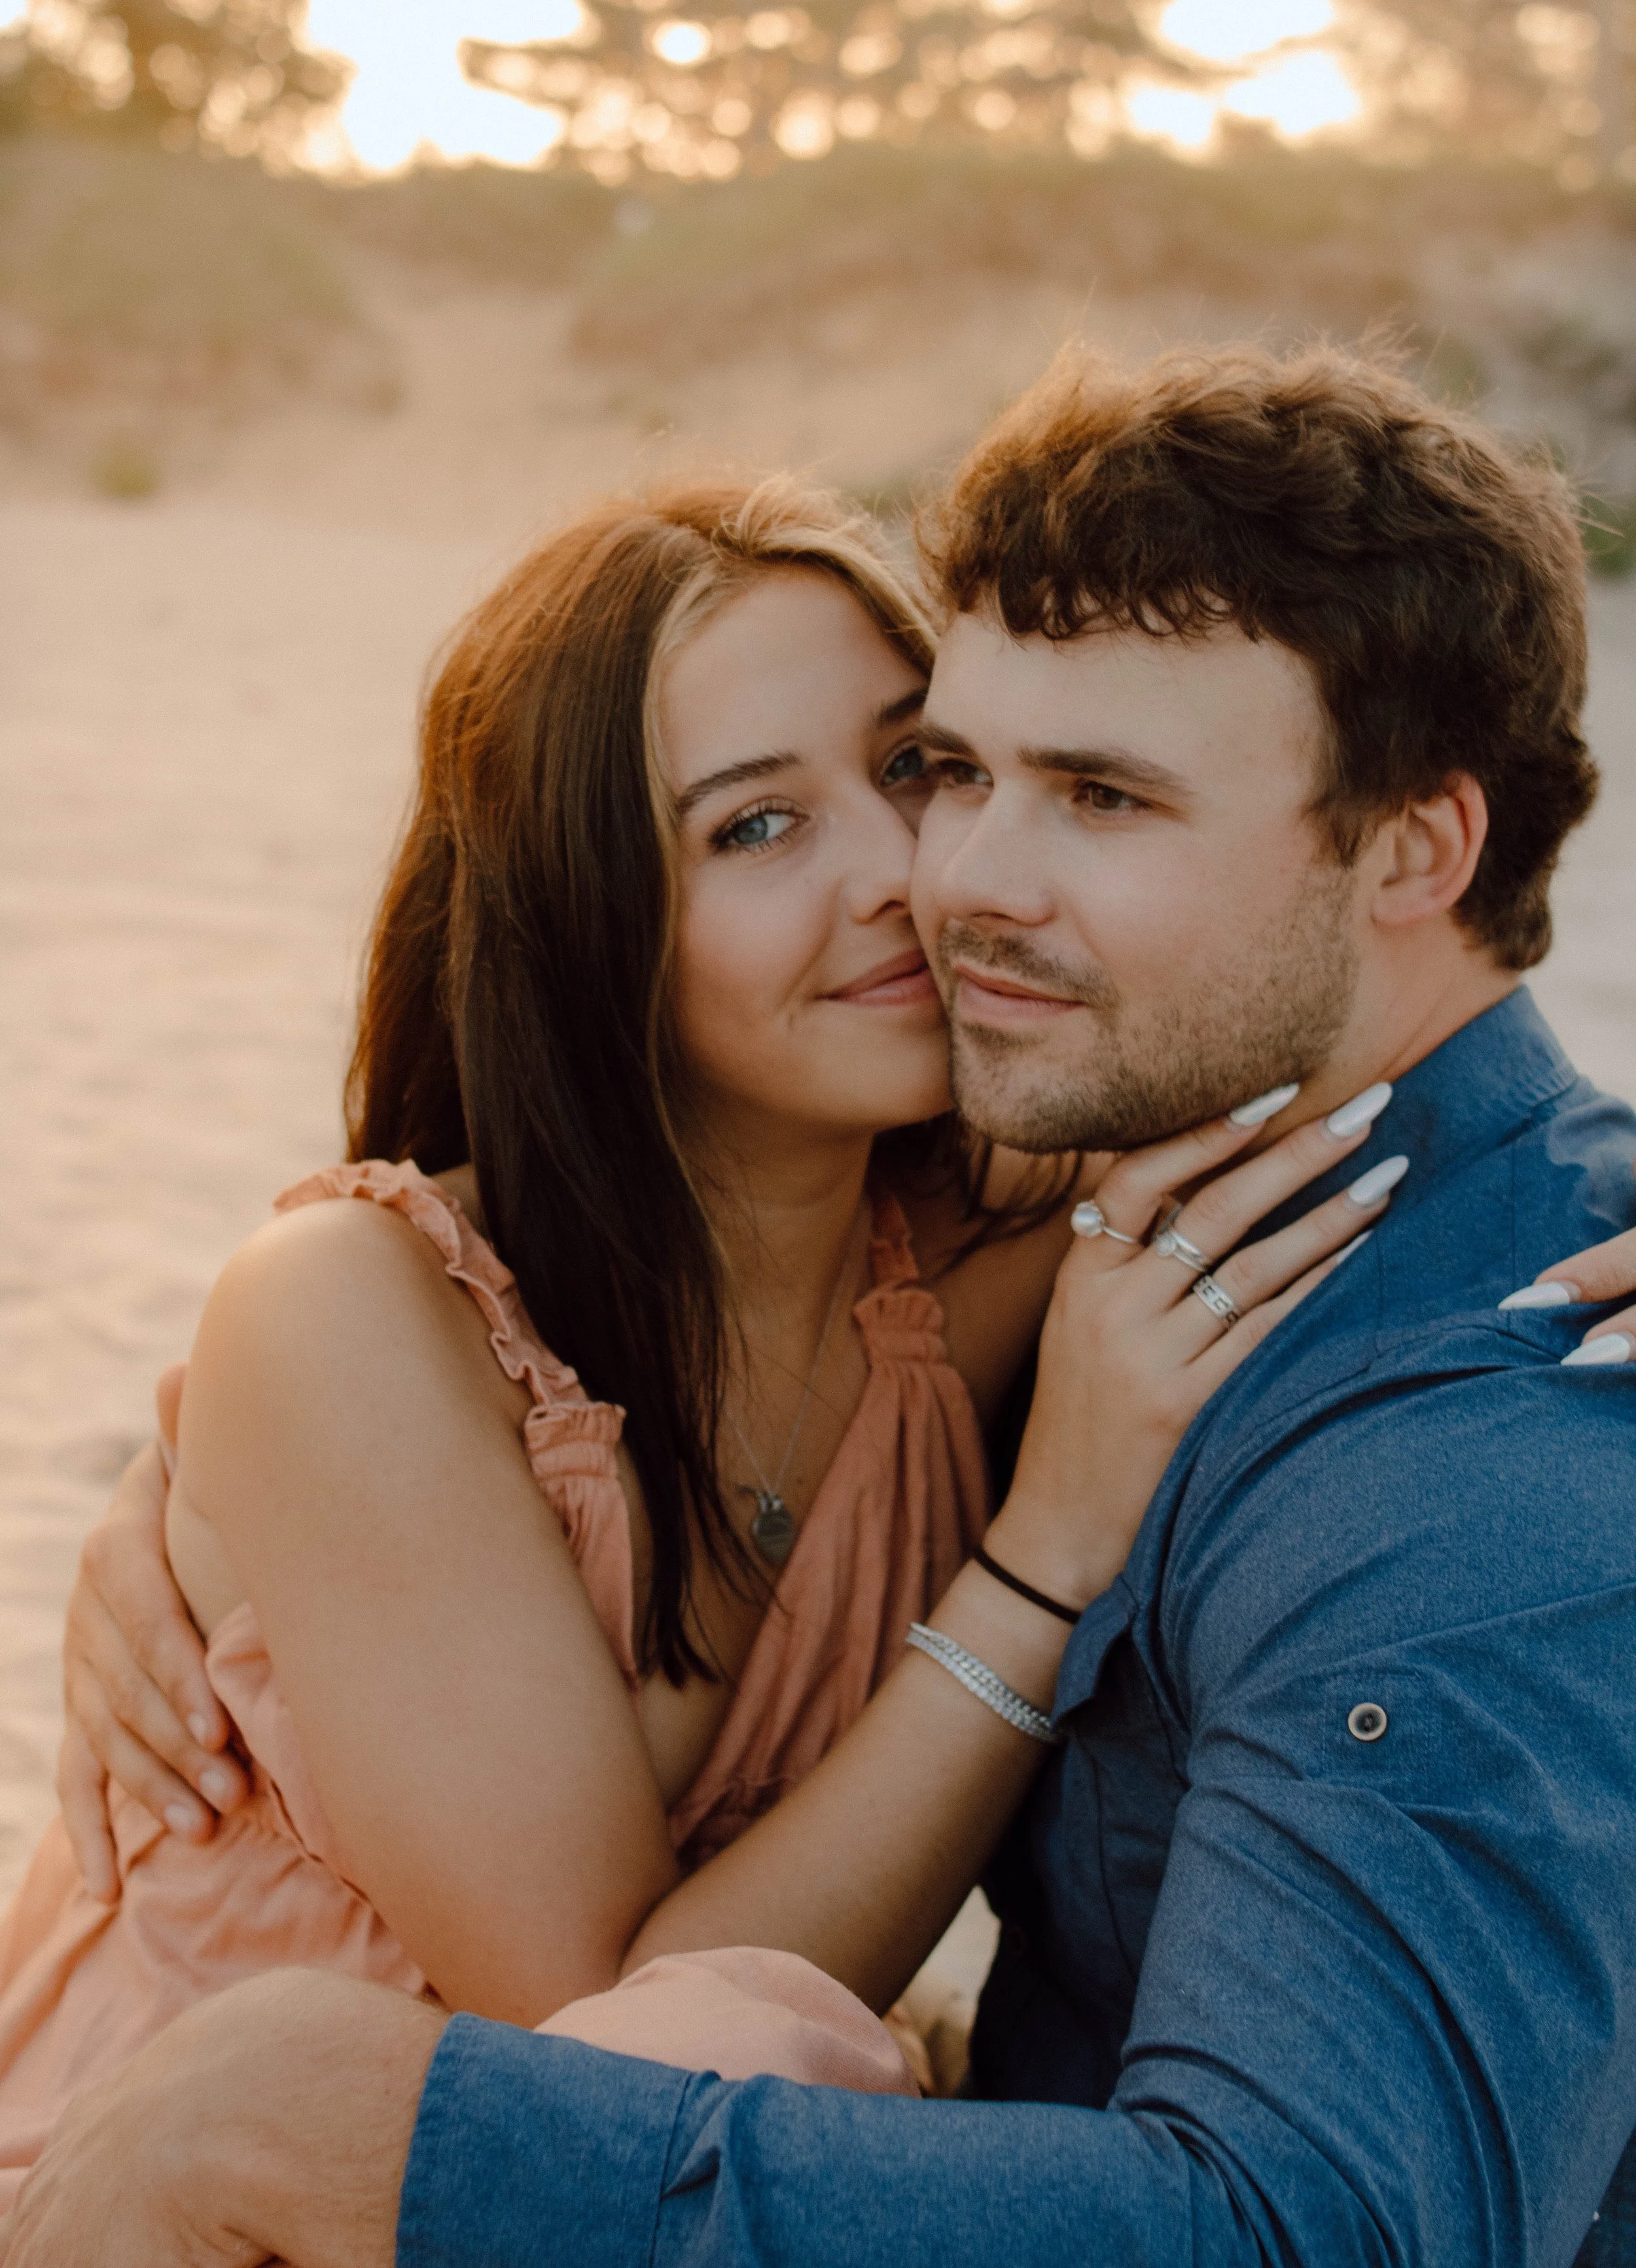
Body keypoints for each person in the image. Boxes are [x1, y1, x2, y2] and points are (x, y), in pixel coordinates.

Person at [7, 342, 1636, 2268]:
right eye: (766, 822)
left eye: (930, 768)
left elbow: (1322, 2230)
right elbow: (585, 2026)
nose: (935, 878)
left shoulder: (1148, 1278)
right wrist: (1046, 1552)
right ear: (596, 907)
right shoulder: (412, 1310)